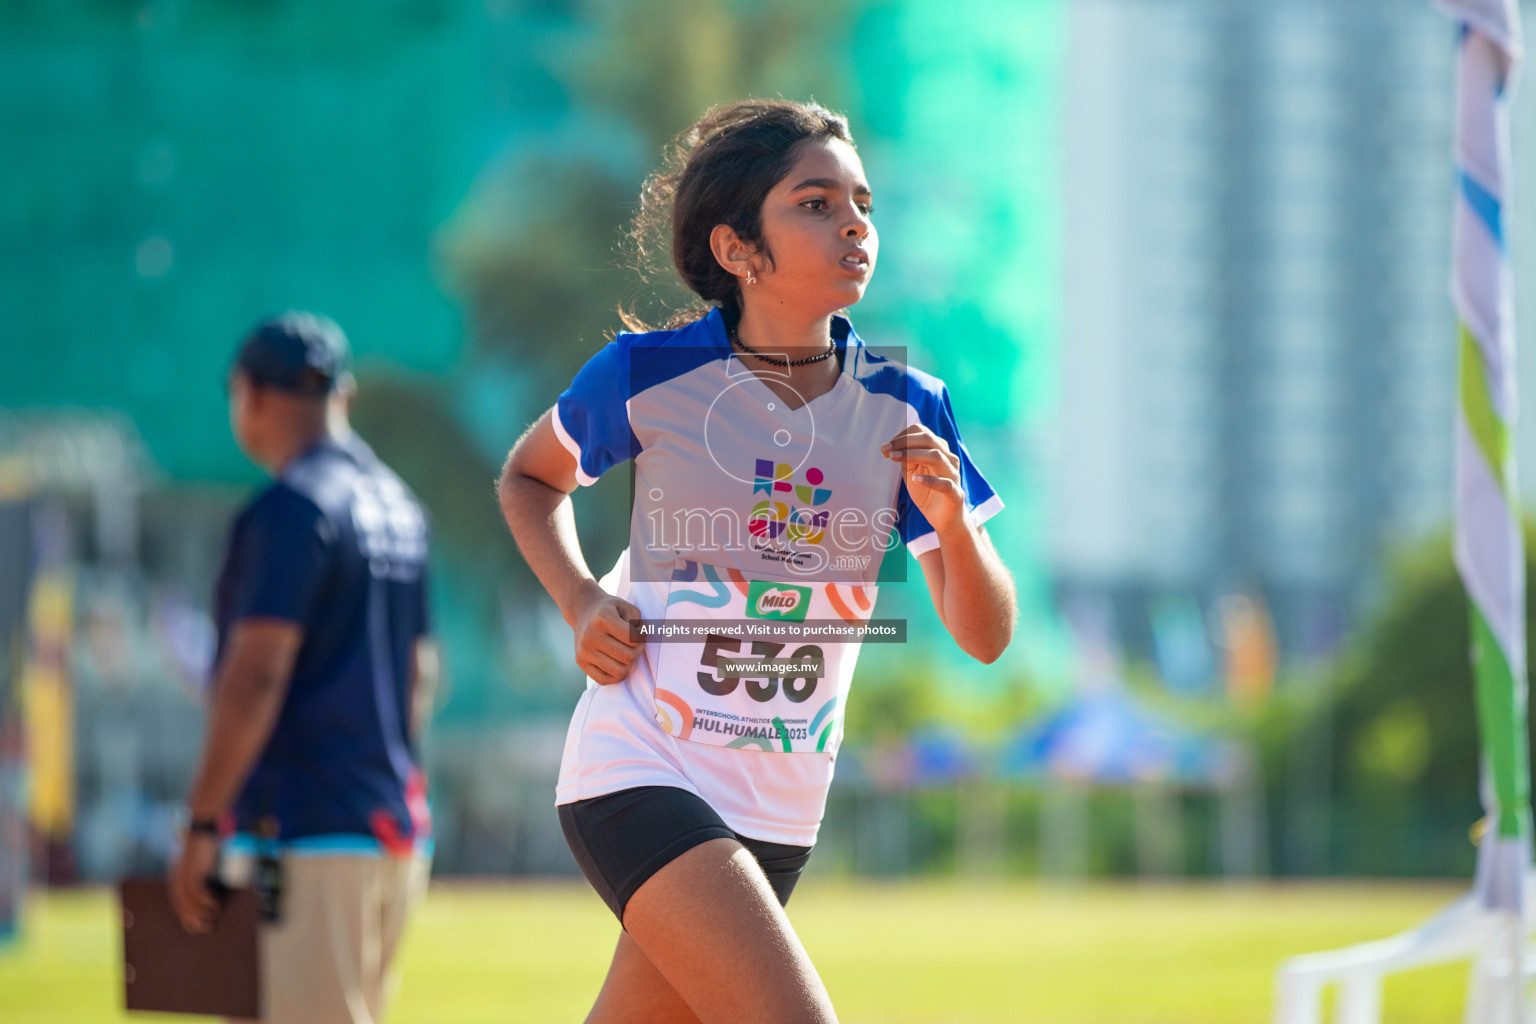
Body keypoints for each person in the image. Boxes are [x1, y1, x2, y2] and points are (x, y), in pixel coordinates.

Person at [498, 100, 1016, 1023]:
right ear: (738, 251)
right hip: (641, 769)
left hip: (780, 811)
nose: (855, 221)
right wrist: (580, 602)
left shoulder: (907, 404)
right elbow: (529, 480)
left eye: (860, 201)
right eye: (815, 203)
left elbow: (983, 636)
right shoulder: (643, 375)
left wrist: (956, 524)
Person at [168, 312, 437, 1024]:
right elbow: (422, 673)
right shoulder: (398, 504)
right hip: (388, 827)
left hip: (303, 834)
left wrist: (200, 824)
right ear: (339, 395)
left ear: (249, 395)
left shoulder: (291, 508)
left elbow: (254, 677)